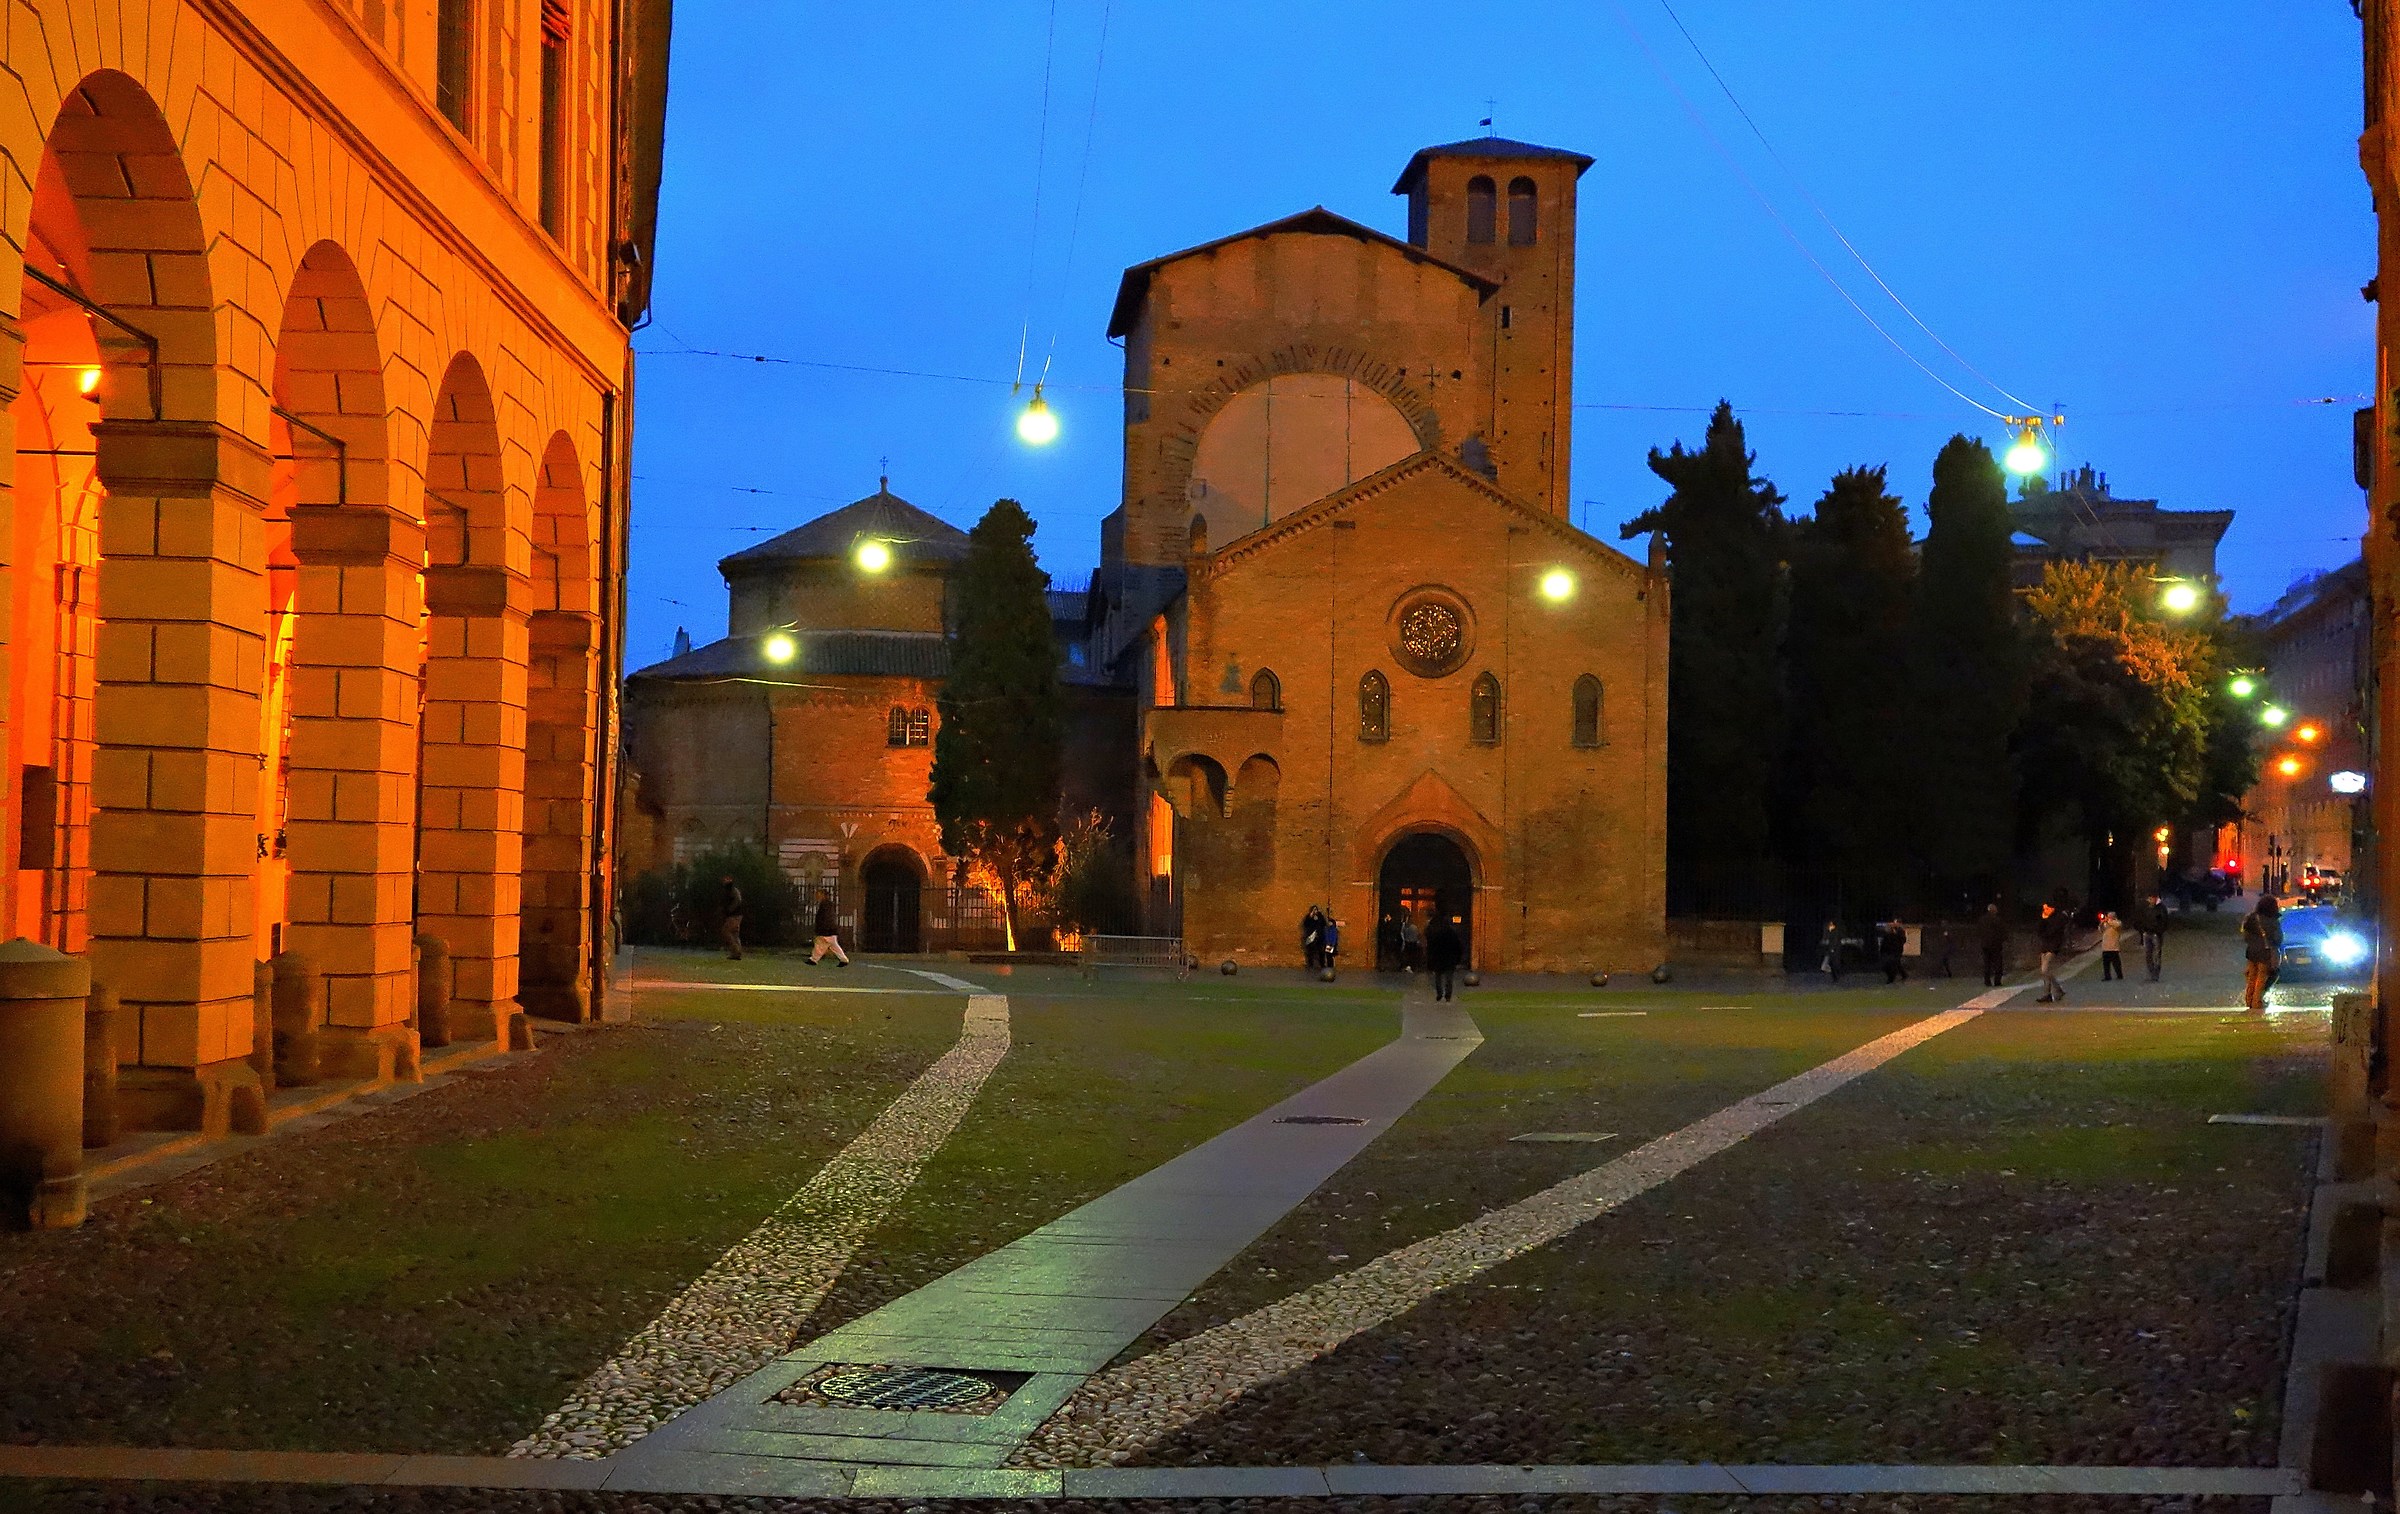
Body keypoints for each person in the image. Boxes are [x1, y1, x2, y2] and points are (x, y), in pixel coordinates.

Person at [2241, 893, 2282, 1013]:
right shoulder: (2273, 920)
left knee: (2252, 977)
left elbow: (2245, 936)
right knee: (2262, 977)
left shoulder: (2251, 918)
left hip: (2251, 951)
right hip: (2265, 952)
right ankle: (2257, 1002)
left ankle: (2249, 1000)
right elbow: (2278, 938)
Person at [2035, 902, 2069, 1003]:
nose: (2045, 910)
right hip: (2045, 946)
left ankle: (2048, 994)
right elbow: (2039, 931)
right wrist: (2043, 920)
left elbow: (2052, 931)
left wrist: (2046, 921)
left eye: (2047, 908)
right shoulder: (2045, 918)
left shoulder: (2059, 918)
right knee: (2046, 971)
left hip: (2053, 946)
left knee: (2045, 970)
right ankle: (2057, 990)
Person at [1425, 914, 1464, 1002]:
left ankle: (1439, 993)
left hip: (1439, 959)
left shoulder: (1436, 934)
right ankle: (1448, 995)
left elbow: (1432, 948)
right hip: (1450, 959)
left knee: (1438, 977)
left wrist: (1431, 959)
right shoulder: (1452, 933)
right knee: (1449, 978)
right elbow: (1458, 946)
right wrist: (1458, 958)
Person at [809, 889, 850, 966]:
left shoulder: (825, 905)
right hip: (830, 929)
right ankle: (843, 959)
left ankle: (814, 959)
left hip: (826, 929)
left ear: (823, 895)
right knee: (832, 945)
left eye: (818, 894)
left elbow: (824, 918)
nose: (817, 896)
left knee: (820, 944)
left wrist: (821, 927)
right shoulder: (828, 905)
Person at [1977, 902, 2007, 988]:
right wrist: (2002, 940)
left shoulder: (1982, 920)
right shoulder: (1997, 920)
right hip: (1996, 945)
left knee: (1987, 964)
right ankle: (1997, 981)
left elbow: (1979, 931)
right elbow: (2003, 932)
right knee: (1998, 964)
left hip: (1985, 945)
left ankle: (1987, 981)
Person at [2141, 893, 2168, 982]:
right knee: (2148, 954)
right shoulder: (2147, 908)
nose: (2149, 900)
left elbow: (2164, 921)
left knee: (2156, 955)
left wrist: (2159, 931)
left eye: (2151, 899)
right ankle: (2151, 973)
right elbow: (2142, 919)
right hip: (2147, 933)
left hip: (2156, 934)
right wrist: (2143, 930)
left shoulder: (2161, 908)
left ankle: (2155, 974)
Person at [719, 875, 746, 961]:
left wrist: (729, 910)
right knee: (734, 933)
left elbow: (737, 901)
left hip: (734, 915)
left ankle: (735, 950)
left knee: (726, 931)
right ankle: (737, 953)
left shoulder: (732, 891)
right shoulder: (732, 891)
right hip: (736, 915)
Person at [1878, 919, 1908, 983]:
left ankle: (1892, 978)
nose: (1895, 924)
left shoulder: (1900, 931)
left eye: (1896, 922)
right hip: (1890, 951)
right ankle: (1903, 975)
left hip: (1896, 950)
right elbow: (1884, 943)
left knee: (1894, 963)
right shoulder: (1889, 933)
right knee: (1895, 963)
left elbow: (1902, 940)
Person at [2098, 910, 2124, 981]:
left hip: (2114, 947)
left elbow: (2117, 925)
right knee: (2106, 963)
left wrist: (2108, 921)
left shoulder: (2117, 923)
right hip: (2105, 947)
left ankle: (2119, 975)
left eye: (2109, 916)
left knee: (2116, 962)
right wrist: (2101, 923)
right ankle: (2107, 976)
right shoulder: (2105, 924)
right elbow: (2100, 930)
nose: (2108, 917)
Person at [1301, 906, 1324, 972]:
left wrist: (1318, 920)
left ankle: (1322, 965)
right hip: (1311, 936)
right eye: (1313, 910)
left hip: (1319, 936)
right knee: (1310, 951)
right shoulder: (1308, 917)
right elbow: (1306, 924)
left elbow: (1323, 924)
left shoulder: (1320, 916)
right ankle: (1310, 965)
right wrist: (1310, 918)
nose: (1315, 911)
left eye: (1316, 910)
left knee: (1320, 951)